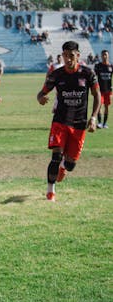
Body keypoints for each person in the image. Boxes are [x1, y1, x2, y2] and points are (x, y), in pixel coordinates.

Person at [36, 41, 100, 202]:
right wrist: (41, 98)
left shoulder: (88, 74)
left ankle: (64, 167)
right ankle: (50, 192)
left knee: (70, 164)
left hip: (79, 124)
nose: (68, 59)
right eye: (65, 56)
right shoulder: (56, 75)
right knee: (55, 156)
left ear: (78, 55)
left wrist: (93, 117)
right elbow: (41, 93)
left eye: (71, 56)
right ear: (62, 56)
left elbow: (97, 95)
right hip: (60, 122)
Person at [94, 50, 112, 129]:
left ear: (108, 56)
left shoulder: (111, 66)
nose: (104, 56)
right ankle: (100, 123)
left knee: (107, 107)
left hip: (108, 90)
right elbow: (94, 77)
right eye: (103, 55)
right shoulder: (98, 66)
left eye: (106, 55)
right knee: (99, 106)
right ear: (101, 56)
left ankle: (104, 124)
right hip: (100, 90)